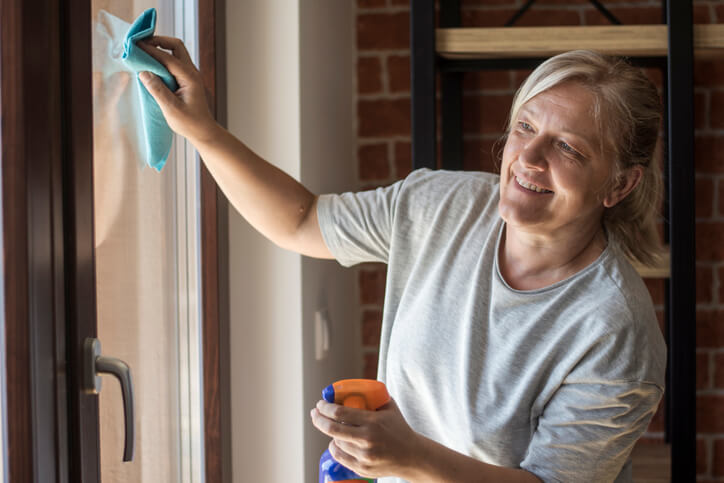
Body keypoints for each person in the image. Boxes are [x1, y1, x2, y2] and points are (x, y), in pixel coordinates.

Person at [138, 38, 666, 483]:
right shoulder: (442, 205)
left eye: (568, 148)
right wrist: (201, 129)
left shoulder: (614, 329)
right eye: (525, 127)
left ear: (619, 184)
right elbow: (301, 221)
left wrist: (407, 456)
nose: (527, 158)